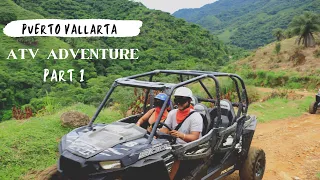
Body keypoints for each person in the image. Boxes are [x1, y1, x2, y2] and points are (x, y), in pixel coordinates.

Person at [159, 87, 203, 180]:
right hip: (173, 146)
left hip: (190, 148)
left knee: (175, 160)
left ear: (189, 101)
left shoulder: (195, 117)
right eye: (177, 101)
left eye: (182, 101)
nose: (179, 103)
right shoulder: (172, 113)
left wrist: (181, 135)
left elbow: (195, 137)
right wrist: (154, 133)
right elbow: (165, 130)